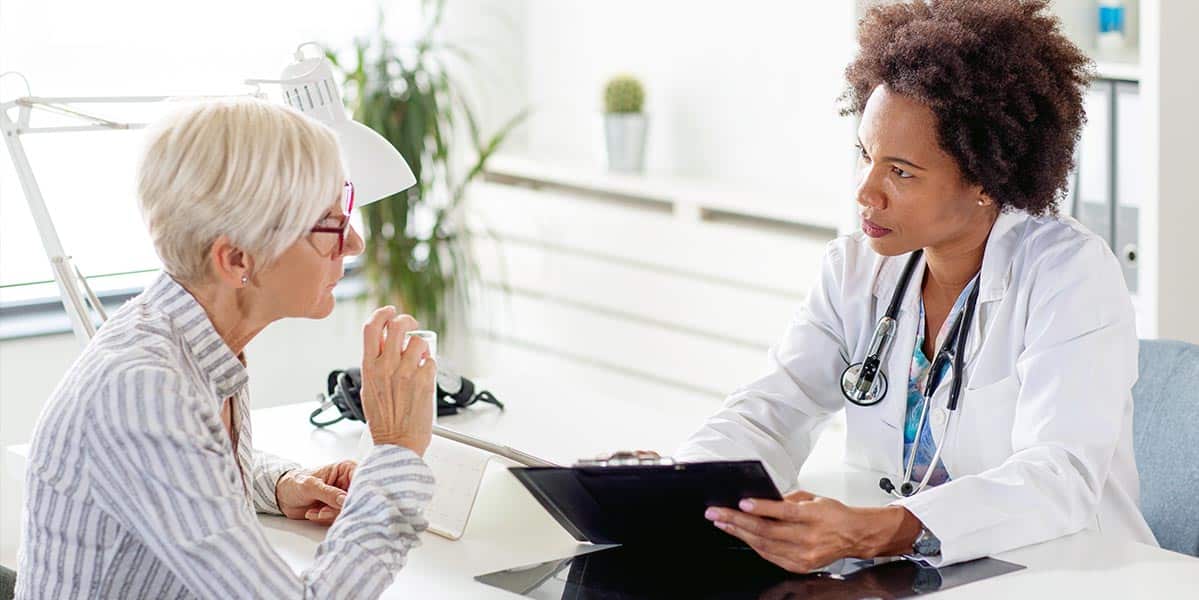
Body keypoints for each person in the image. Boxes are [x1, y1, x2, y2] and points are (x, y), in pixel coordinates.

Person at [681, 0, 1157, 571]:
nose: (865, 191)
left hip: (1066, 571)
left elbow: (1060, 477)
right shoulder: (858, 269)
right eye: (865, 155)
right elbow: (771, 408)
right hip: (922, 575)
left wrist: (884, 530)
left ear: (984, 179)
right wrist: (682, 491)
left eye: (900, 172)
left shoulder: (1070, 275)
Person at [17, 99, 437, 598]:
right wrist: (396, 450)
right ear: (237, 259)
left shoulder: (191, 339)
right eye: (328, 225)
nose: (354, 243)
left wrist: (278, 484)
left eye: (343, 207)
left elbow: (183, 470)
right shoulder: (144, 390)